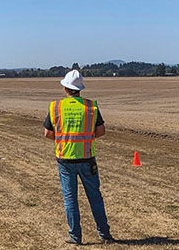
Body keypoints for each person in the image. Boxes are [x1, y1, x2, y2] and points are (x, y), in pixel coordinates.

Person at [43, 70, 113, 245]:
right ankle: (104, 234)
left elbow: (47, 133)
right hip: (87, 158)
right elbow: (101, 131)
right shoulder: (91, 107)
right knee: (95, 197)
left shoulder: (56, 107)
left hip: (65, 160)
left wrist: (63, 139)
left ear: (66, 88)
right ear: (79, 89)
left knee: (70, 199)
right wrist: (86, 139)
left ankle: (75, 237)